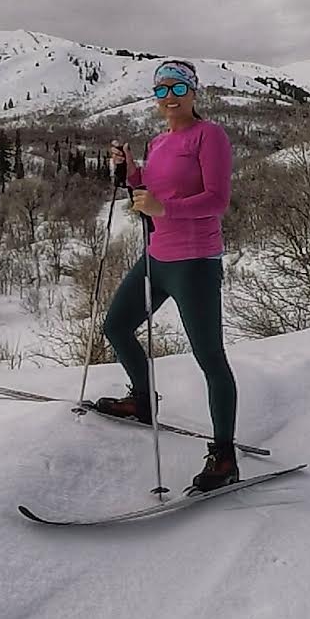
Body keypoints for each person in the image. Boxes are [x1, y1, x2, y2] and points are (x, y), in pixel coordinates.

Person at [94, 59, 240, 494]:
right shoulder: (159, 142)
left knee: (210, 358)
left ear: (194, 92)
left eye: (177, 88)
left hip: (195, 261)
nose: (169, 97)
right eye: (161, 91)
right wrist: (130, 170)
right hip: (157, 257)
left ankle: (225, 456)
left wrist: (166, 209)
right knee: (116, 327)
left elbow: (217, 199)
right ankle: (142, 401)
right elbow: (148, 191)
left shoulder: (209, 135)